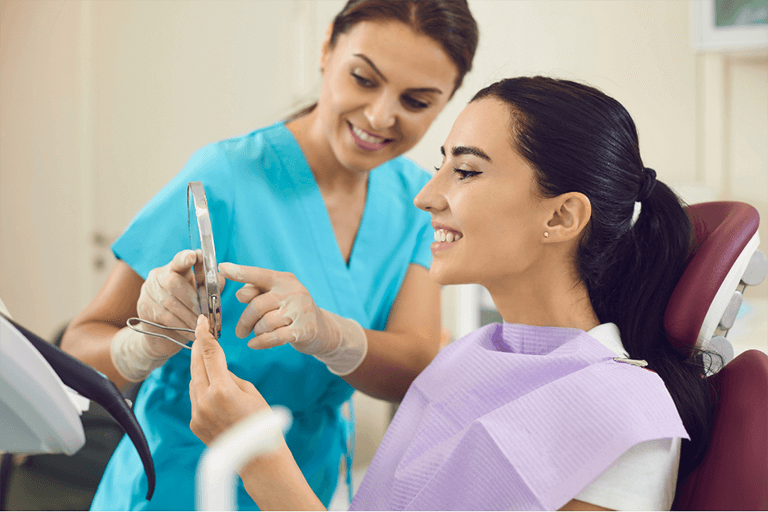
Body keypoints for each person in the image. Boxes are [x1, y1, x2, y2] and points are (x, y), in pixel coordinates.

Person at [188, 76, 716, 511]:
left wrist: (259, 458)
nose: (426, 196)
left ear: (560, 215)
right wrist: (327, 335)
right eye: (442, 164)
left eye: (464, 171)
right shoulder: (469, 357)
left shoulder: (623, 416)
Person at [60, 1, 479, 509]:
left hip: (304, 484)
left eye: (416, 101)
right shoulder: (225, 176)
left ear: (448, 101)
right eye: (364, 79)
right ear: (326, 49)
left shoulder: (419, 200)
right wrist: (143, 347)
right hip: (180, 482)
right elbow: (79, 350)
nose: (379, 116)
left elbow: (414, 366)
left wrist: (331, 335)